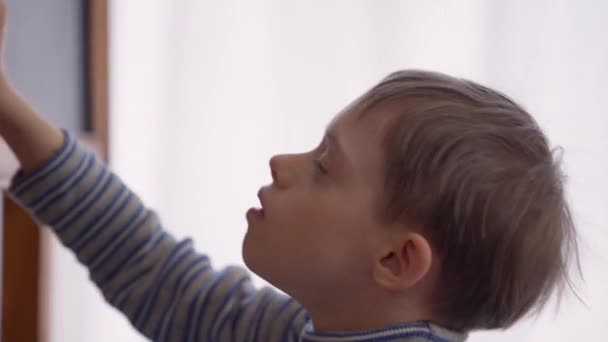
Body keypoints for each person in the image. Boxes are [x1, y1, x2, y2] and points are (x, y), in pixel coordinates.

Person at [0, 3, 578, 342]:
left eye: (325, 167)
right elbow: (156, 274)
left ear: (396, 260)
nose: (283, 164)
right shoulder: (300, 327)